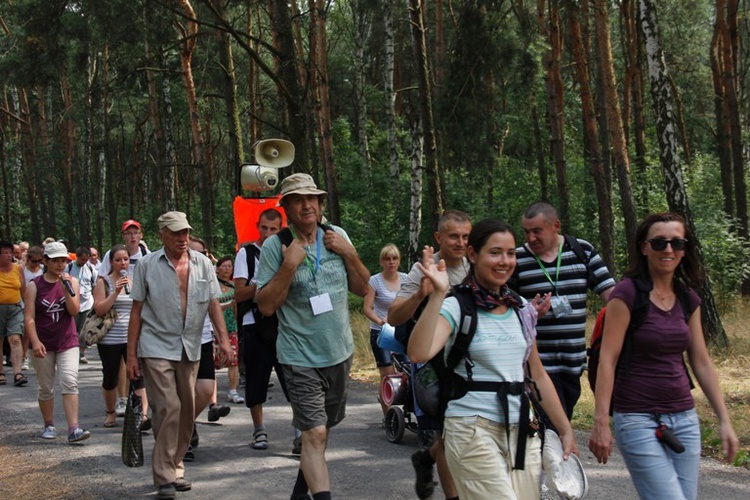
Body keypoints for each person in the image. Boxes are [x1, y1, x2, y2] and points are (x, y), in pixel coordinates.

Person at [407, 219, 578, 498]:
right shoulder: (456, 305)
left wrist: (564, 428)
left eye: (510, 253)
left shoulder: (521, 308)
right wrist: (438, 293)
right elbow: (418, 352)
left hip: (521, 429)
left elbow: (536, 375)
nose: (504, 261)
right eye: (495, 252)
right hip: (471, 427)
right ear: (473, 255)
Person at [588, 212, 739, 499]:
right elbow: (607, 359)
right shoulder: (627, 294)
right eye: (659, 243)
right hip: (637, 417)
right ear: (644, 247)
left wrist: (724, 419)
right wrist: (601, 423)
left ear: (685, 249)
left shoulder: (687, 297)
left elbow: (702, 361)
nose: (668, 250)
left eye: (677, 243)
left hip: (684, 417)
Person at [255, 173, 370, 500]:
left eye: (312, 199)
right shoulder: (276, 247)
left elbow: (363, 288)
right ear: (287, 208)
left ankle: (299, 491)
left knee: (320, 430)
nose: (307, 205)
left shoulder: (337, 236)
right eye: (298, 200)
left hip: (340, 352)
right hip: (298, 356)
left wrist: (349, 253)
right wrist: (288, 267)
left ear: (321, 205)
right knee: (315, 432)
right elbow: (264, 306)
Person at [126, 212, 232, 500]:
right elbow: (136, 311)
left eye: (185, 232)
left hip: (191, 346)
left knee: (186, 410)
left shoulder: (203, 264)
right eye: (175, 233)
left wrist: (223, 342)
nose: (182, 238)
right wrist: (131, 355)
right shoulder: (147, 265)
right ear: (161, 234)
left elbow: (213, 305)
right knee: (169, 407)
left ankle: (175, 467)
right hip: (155, 346)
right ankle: (164, 478)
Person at [388, 210, 472, 500]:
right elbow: (394, 316)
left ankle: (425, 459)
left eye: (465, 237)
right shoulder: (422, 269)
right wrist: (420, 295)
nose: (461, 243)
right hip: (436, 365)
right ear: (438, 238)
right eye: (453, 237)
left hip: (474, 364)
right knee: (448, 436)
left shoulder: (478, 263)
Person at [509, 201, 615, 429]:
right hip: (537, 365)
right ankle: (549, 461)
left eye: (537, 231)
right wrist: (529, 312)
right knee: (552, 429)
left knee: (560, 423)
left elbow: (612, 296)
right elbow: (503, 307)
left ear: (555, 226)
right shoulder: (516, 260)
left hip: (573, 363)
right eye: (526, 232)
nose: (531, 238)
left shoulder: (581, 250)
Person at [235, 208, 294, 452]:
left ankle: (300, 431)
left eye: (273, 229)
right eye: (264, 228)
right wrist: (265, 285)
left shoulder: (287, 251)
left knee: (293, 379)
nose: (268, 233)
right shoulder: (246, 253)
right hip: (254, 323)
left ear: (281, 229)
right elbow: (239, 293)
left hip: (285, 323)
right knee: (257, 380)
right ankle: (259, 430)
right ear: (257, 226)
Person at [23, 241, 90, 443]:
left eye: (63, 261)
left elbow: (74, 311)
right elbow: (29, 317)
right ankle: (49, 424)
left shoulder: (73, 282)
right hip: (43, 342)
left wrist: (65, 288)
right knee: (46, 386)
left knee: (70, 381)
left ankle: (73, 428)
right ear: (45, 261)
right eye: (56, 261)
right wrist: (34, 342)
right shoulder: (34, 285)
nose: (60, 265)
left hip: (67, 341)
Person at [182, 236, 232, 463]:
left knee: (205, 389)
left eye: (201, 252)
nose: (196, 256)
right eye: (193, 251)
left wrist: (224, 340)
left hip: (201, 339)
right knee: (183, 393)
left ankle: (182, 425)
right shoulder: (171, 271)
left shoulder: (207, 273)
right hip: (175, 342)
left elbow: (214, 305)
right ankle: (184, 436)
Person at [93, 244, 149, 429]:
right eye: (118, 260)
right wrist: (115, 292)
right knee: (111, 378)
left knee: (138, 376)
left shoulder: (133, 281)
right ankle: (110, 414)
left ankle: (142, 416)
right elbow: (99, 309)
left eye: (125, 259)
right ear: (111, 262)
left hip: (131, 337)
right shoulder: (104, 282)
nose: (122, 263)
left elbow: (140, 308)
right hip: (109, 339)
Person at [363, 244, 407, 418]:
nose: (391, 262)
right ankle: (388, 417)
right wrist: (380, 321)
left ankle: (407, 410)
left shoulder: (406, 279)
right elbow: (367, 308)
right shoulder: (375, 281)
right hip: (382, 332)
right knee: (387, 374)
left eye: (394, 258)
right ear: (382, 261)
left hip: (401, 331)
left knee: (407, 371)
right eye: (387, 259)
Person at [216, 256, 243, 404]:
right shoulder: (212, 286)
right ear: (217, 268)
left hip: (231, 327)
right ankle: (210, 395)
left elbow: (236, 310)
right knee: (212, 361)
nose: (227, 269)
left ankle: (233, 390)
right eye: (224, 266)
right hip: (214, 328)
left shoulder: (234, 287)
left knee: (233, 361)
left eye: (230, 266)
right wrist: (229, 303)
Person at [0, 240, 27, 386]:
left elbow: (23, 290)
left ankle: (18, 373)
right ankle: (1, 372)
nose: (8, 255)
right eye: (5, 252)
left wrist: (29, 308)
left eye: (10, 252)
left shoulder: (18, 269)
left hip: (15, 308)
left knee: (15, 339)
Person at [67, 246, 98, 364]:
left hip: (87, 303)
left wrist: (95, 301)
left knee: (84, 330)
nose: (83, 262)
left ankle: (81, 353)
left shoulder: (91, 268)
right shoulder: (69, 267)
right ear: (77, 257)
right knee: (73, 330)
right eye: (81, 259)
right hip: (73, 303)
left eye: (86, 259)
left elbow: (94, 285)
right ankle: (72, 352)